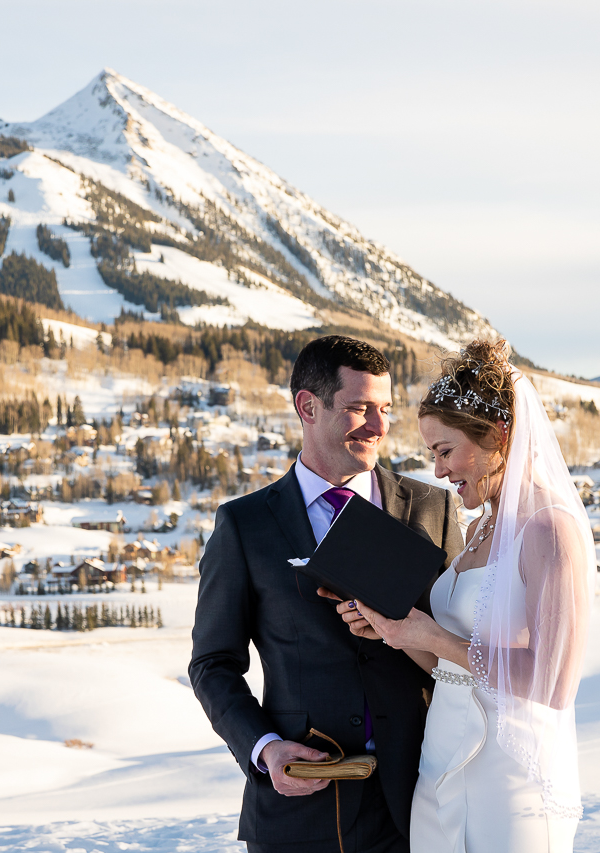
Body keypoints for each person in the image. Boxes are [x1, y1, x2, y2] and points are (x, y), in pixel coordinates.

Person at [189, 335, 464, 853]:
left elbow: (463, 641)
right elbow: (212, 664)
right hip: (300, 809)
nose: (379, 428)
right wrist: (266, 751)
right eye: (359, 409)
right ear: (307, 406)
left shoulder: (434, 508)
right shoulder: (245, 526)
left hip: (423, 800)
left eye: (384, 409)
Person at [334, 339, 594, 852]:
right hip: (440, 763)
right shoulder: (479, 528)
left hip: (508, 777)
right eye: (433, 454)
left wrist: (430, 632)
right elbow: (453, 668)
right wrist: (397, 632)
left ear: (500, 435)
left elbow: (555, 684)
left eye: (446, 451)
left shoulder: (550, 530)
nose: (438, 471)